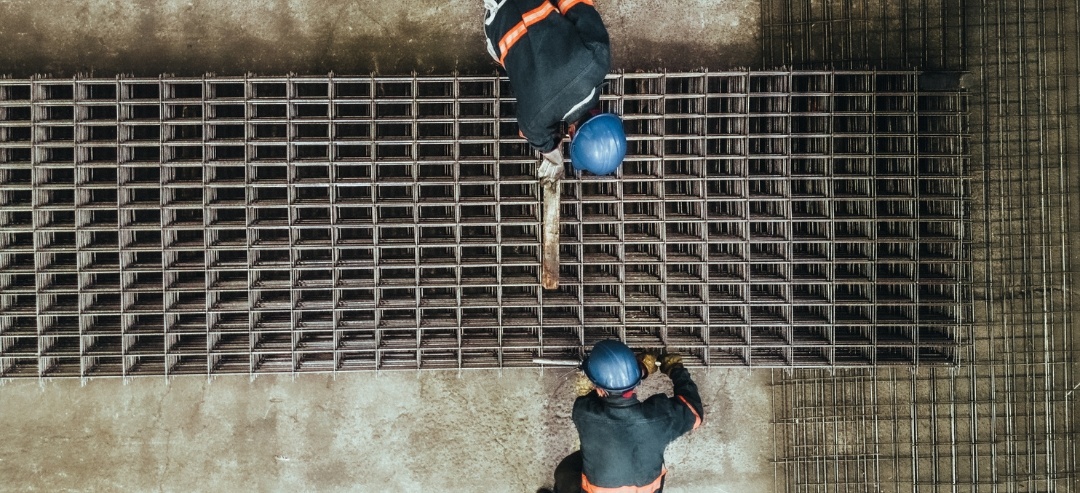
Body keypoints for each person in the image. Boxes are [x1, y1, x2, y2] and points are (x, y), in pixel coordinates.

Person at [483, 0, 627, 184]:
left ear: (603, 113)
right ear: (572, 132)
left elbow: (576, 5)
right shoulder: (536, 122)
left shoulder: (598, 59)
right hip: (497, 21)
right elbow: (534, 136)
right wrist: (552, 153)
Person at [544, 340, 704, 493]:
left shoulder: (584, 412)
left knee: (565, 471)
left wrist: (641, 370)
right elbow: (694, 412)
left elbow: (593, 398)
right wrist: (675, 370)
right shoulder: (658, 419)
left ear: (599, 390)